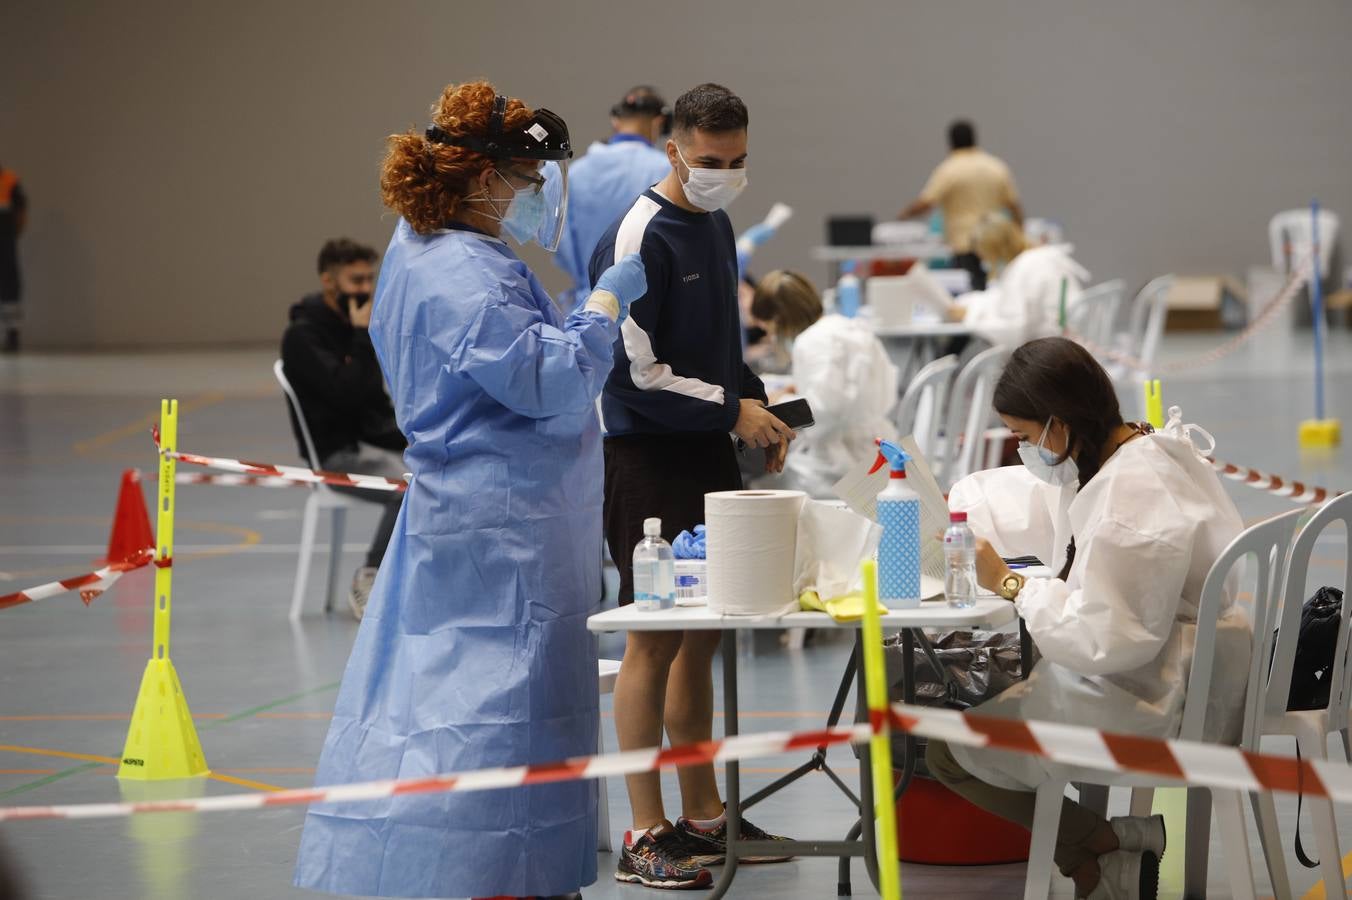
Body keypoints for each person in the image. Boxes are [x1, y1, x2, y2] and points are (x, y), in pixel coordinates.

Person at [293, 80, 648, 900]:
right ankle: (489, 879)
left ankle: (454, 873)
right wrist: (599, 308)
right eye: (523, 180)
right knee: (500, 713)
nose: (530, 197)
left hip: (472, 512)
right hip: (507, 524)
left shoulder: (426, 248)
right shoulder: (463, 270)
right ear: (483, 177)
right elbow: (548, 379)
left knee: (436, 699)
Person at [924, 337, 1249, 900]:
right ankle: (1105, 855)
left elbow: (1103, 641)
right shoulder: (1146, 451)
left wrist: (1010, 583)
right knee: (1005, 698)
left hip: (1157, 694)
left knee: (947, 750)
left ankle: (1099, 844)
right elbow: (1055, 511)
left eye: (1024, 437)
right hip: (1195, 667)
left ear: (1059, 421)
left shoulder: (1131, 498)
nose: (1023, 450)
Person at [590, 82, 797, 891]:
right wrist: (729, 410)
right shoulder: (639, 235)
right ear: (672, 149)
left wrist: (761, 409)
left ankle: (704, 815)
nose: (725, 174)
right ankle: (645, 831)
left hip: (708, 450)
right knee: (653, 640)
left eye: (739, 160)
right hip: (646, 459)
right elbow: (632, 373)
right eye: (711, 161)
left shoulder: (715, 220)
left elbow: (719, 351)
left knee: (702, 635)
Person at [281, 238, 404, 620]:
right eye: (356, 280)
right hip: (337, 457)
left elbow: (373, 404)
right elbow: (347, 394)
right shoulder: (303, 337)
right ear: (329, 282)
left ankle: (415, 584)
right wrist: (362, 335)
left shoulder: (349, 329)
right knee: (407, 487)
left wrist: (416, 438)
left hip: (370, 444)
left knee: (441, 469)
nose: (366, 289)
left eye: (370, 278)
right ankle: (370, 575)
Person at [749, 270, 899, 496]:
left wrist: (781, 401)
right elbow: (846, 392)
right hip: (877, 450)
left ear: (780, 318)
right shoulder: (851, 328)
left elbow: (823, 417)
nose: (770, 336)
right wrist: (798, 391)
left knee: (754, 489)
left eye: (768, 328)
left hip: (837, 466)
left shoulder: (809, 342)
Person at [553, 86, 672, 306]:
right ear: (658, 123)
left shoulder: (575, 174)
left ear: (616, 121)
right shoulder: (667, 172)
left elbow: (560, 246)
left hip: (588, 308)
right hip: (649, 310)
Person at [898, 120, 1022, 291]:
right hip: (996, 243)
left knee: (971, 291)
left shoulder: (949, 170)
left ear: (950, 142)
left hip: (964, 242)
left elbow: (926, 202)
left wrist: (904, 214)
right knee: (998, 286)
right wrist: (1019, 232)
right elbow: (1013, 205)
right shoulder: (996, 167)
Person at [949, 214, 1089, 348]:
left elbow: (1014, 331)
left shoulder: (1023, 269)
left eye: (985, 255)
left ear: (995, 249)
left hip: (1050, 350)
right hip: (1065, 343)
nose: (984, 261)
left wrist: (971, 318)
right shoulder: (1041, 258)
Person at [0, 163, 28, 353]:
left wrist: (16, 231)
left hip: (5, 240)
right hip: (7, 238)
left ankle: (12, 335)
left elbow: (21, 211)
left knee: (10, 285)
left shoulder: (9, 180)